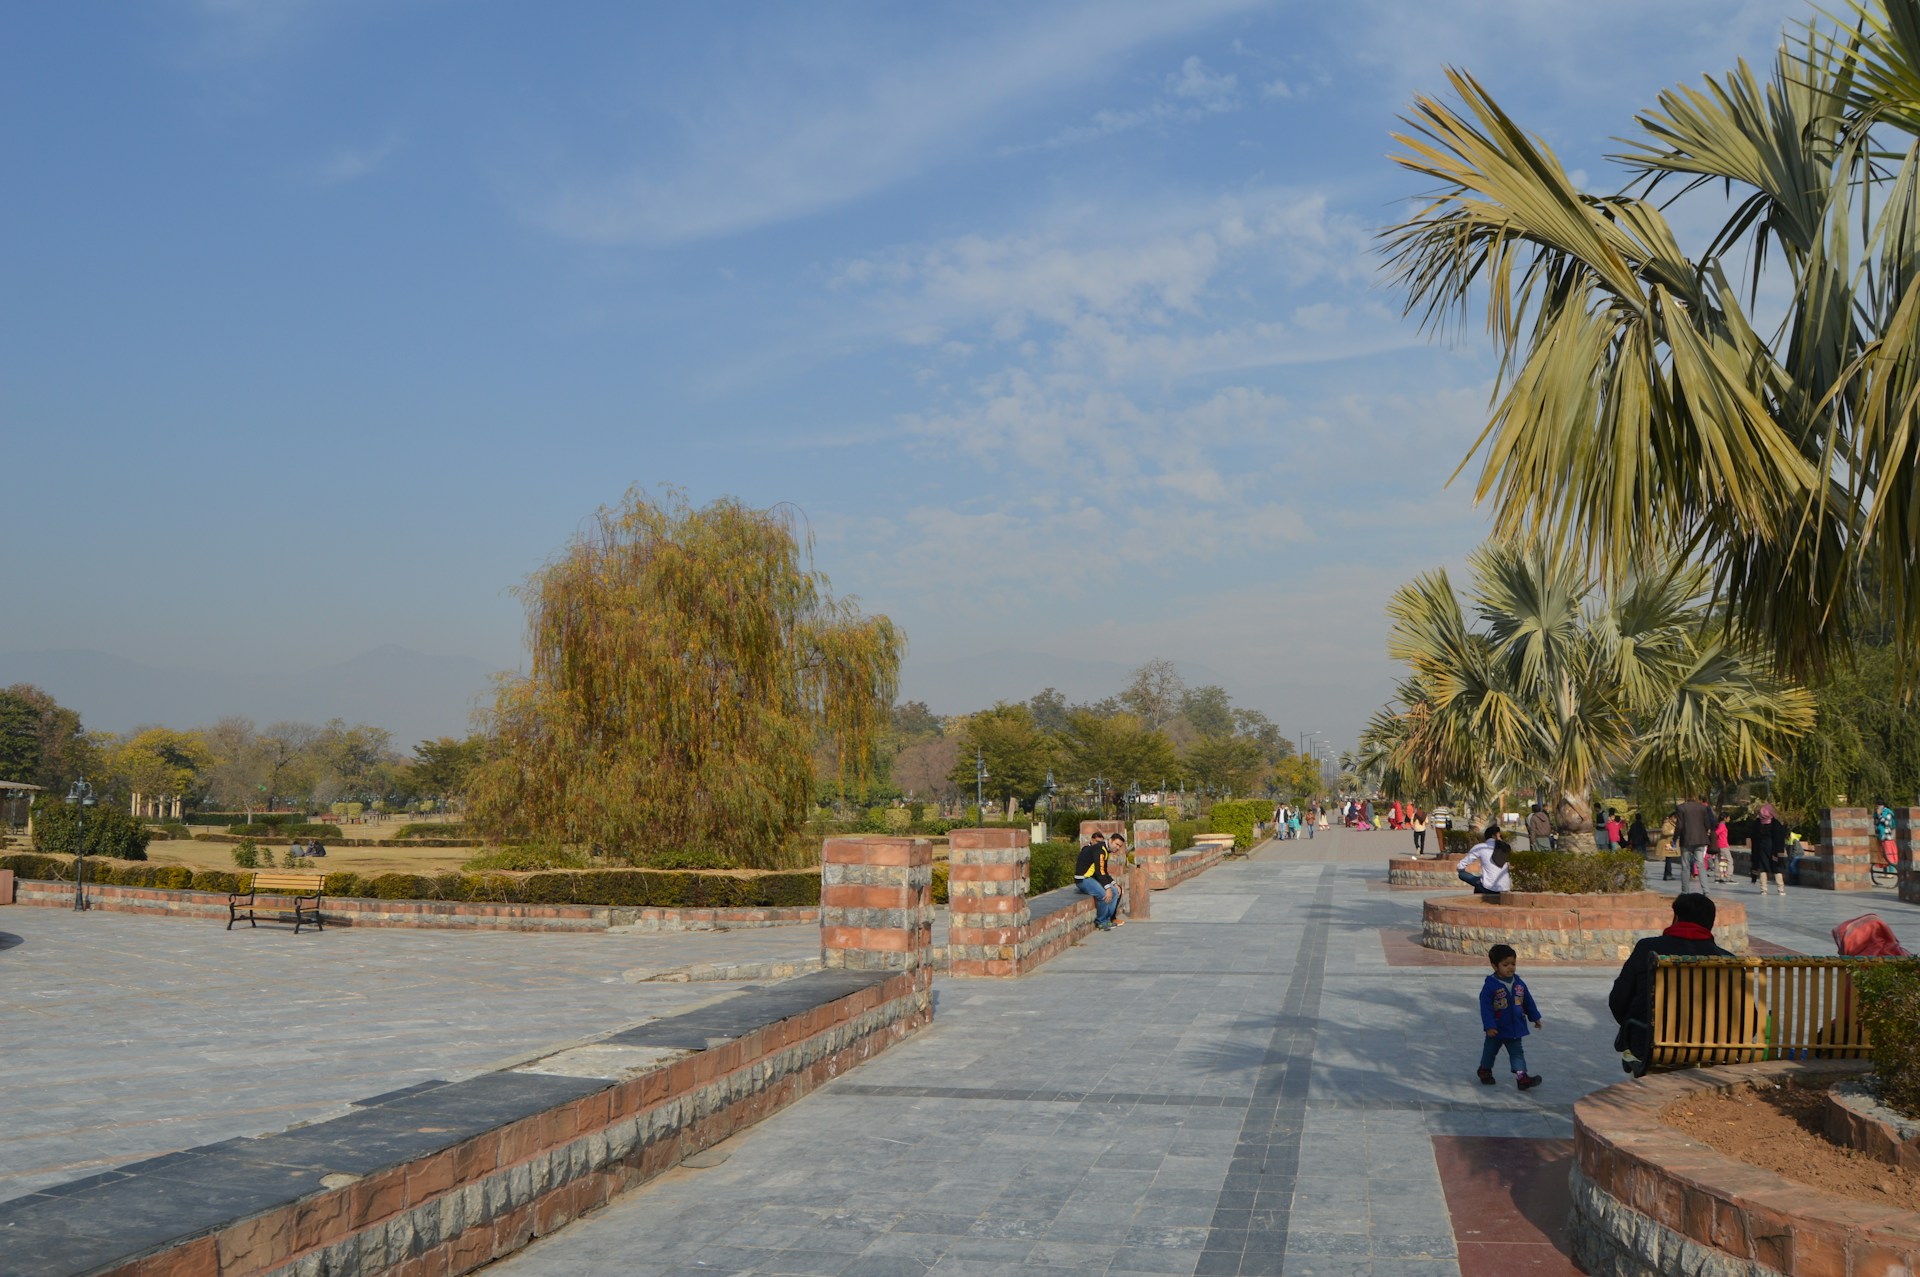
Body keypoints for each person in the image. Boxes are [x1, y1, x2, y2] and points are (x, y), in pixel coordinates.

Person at [1608, 892, 1732, 1076]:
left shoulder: (1646, 949)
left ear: (1676, 918)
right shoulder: (1728, 961)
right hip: (1712, 1049)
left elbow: (1618, 1000)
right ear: (1710, 924)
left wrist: (1637, 1026)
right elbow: (1749, 1018)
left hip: (1651, 1045)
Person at [1477, 943, 1544, 1089]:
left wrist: (1535, 1017)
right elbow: (1486, 1008)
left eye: (1513, 964)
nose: (1510, 968)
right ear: (1495, 966)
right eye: (1505, 964)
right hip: (1497, 1028)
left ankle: (1522, 1077)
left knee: (1517, 1052)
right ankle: (1484, 1070)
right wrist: (1489, 1026)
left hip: (1515, 1028)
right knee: (1490, 1051)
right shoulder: (1490, 986)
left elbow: (1527, 1001)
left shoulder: (1519, 983)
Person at [1075, 833, 1119, 931]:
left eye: (1119, 846)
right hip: (1083, 879)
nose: (1118, 848)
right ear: (1110, 841)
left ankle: (1107, 919)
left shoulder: (1105, 851)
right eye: (1116, 844)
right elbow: (1099, 871)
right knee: (1104, 895)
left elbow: (1104, 872)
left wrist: (1114, 884)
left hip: (1092, 878)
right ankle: (1101, 921)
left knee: (1115, 892)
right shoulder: (1100, 850)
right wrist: (1107, 888)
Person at [1674, 795, 1715, 894]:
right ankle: (1706, 891)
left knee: (1685, 866)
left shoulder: (1681, 808)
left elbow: (1679, 825)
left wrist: (1674, 838)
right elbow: (1707, 824)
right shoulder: (1702, 807)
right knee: (1700, 865)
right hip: (1700, 840)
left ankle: (1685, 891)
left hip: (1686, 840)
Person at [1750, 803, 1788, 895]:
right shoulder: (1775, 824)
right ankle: (1781, 889)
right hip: (1773, 849)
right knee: (1777, 867)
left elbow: (1753, 837)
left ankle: (1764, 889)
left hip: (1761, 848)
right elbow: (1780, 838)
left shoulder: (1757, 824)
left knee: (1762, 867)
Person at [1875, 802, 1897, 869]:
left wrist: (1879, 815)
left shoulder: (1888, 812)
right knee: (1882, 854)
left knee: (1889, 854)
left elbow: (1886, 823)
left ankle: (1891, 871)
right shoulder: (1879, 813)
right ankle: (1885, 872)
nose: (1877, 807)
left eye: (1878, 805)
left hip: (1887, 836)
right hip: (1881, 836)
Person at [1712, 816, 1733, 883]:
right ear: (1725, 818)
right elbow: (1716, 833)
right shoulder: (1722, 825)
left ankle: (1717, 877)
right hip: (1723, 845)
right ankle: (1728, 877)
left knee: (1717, 861)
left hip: (1718, 845)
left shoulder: (1719, 824)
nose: (1729, 819)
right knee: (1729, 861)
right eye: (1728, 817)